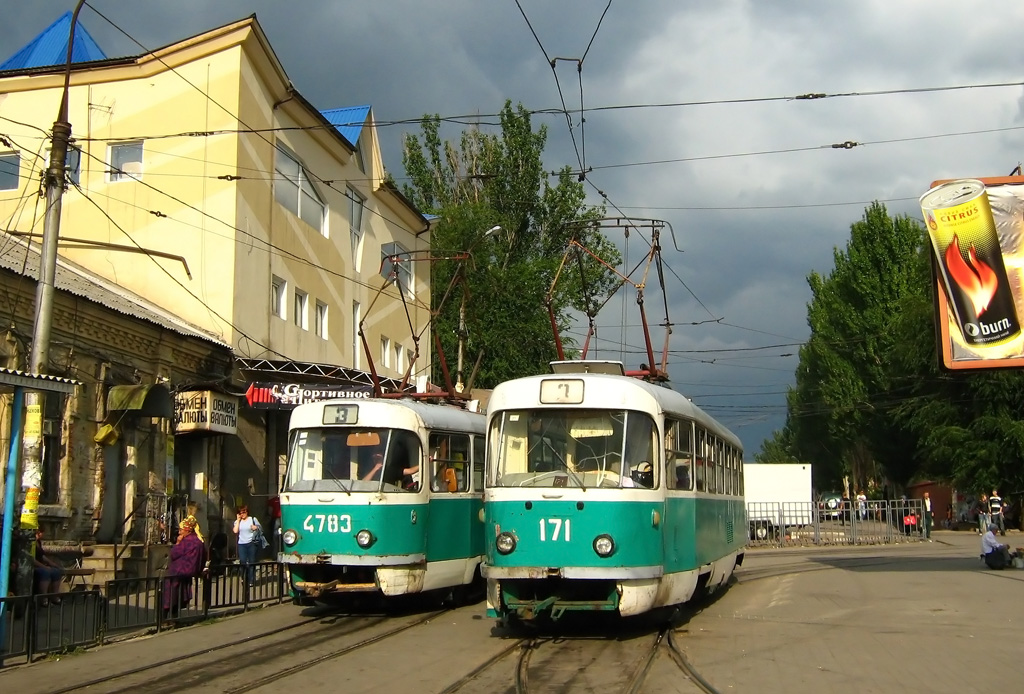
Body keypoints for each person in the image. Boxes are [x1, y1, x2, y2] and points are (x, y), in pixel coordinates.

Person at [162, 518, 206, 619]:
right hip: (190, 571)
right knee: (180, 592)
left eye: (181, 529)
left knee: (169, 593)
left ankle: (165, 616)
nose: (179, 532)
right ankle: (174, 616)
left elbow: (174, 554)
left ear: (187, 530)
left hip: (178, 571)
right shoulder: (199, 541)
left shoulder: (186, 541)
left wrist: (177, 543)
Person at [233, 505, 262, 587]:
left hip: (251, 543)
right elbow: (235, 531)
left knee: (251, 561)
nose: (242, 514)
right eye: (240, 513)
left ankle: (251, 580)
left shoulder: (253, 519)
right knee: (242, 561)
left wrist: (255, 527)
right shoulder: (237, 521)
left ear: (247, 512)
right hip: (241, 544)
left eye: (244, 512)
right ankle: (243, 577)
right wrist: (238, 520)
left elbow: (260, 528)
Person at [33, 528, 64, 605]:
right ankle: (43, 598)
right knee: (45, 572)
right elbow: (32, 559)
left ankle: (54, 596)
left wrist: (54, 564)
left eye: (41, 532)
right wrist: (44, 567)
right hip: (34, 566)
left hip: (41, 565)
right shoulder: (31, 543)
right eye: (38, 533)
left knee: (56, 572)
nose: (40, 534)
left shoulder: (38, 542)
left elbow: (42, 556)